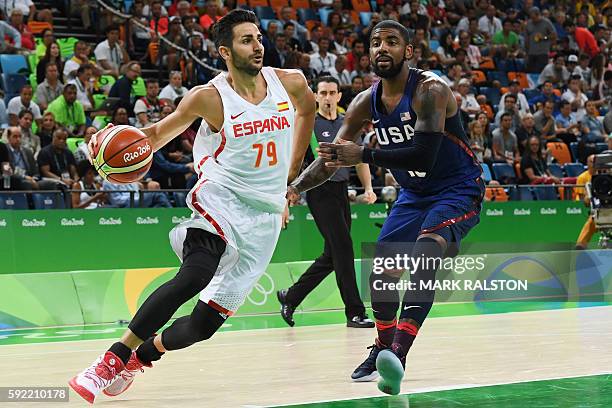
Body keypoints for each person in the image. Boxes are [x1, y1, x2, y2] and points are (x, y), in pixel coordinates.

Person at [69, 9, 316, 404]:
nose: (257, 46)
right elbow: (155, 134)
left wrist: (289, 179)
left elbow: (308, 111)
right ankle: (111, 360)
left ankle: (141, 358)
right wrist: (108, 141)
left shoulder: (291, 83)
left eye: (257, 38)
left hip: (265, 217)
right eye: (246, 40)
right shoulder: (210, 98)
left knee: (202, 326)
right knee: (195, 274)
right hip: (222, 199)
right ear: (224, 51)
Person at [285, 20, 483, 395]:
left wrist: (363, 154)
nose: (382, 48)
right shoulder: (365, 102)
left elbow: (425, 152)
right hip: (413, 193)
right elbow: (330, 158)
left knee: (427, 251)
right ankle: (382, 347)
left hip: (455, 189)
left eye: (392, 42)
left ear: (408, 52)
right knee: (382, 271)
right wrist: (293, 189)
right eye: (376, 43)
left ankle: (399, 353)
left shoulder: (430, 90)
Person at [277, 76, 377, 328]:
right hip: (319, 192)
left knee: (333, 254)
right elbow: (294, 161)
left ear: (339, 96)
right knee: (343, 248)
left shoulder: (347, 123)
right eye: (323, 93)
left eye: (333, 93)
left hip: (342, 189)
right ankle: (354, 312)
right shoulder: (308, 123)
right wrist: (287, 195)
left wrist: (368, 187)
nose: (328, 97)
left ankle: (291, 296)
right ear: (316, 96)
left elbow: (360, 158)